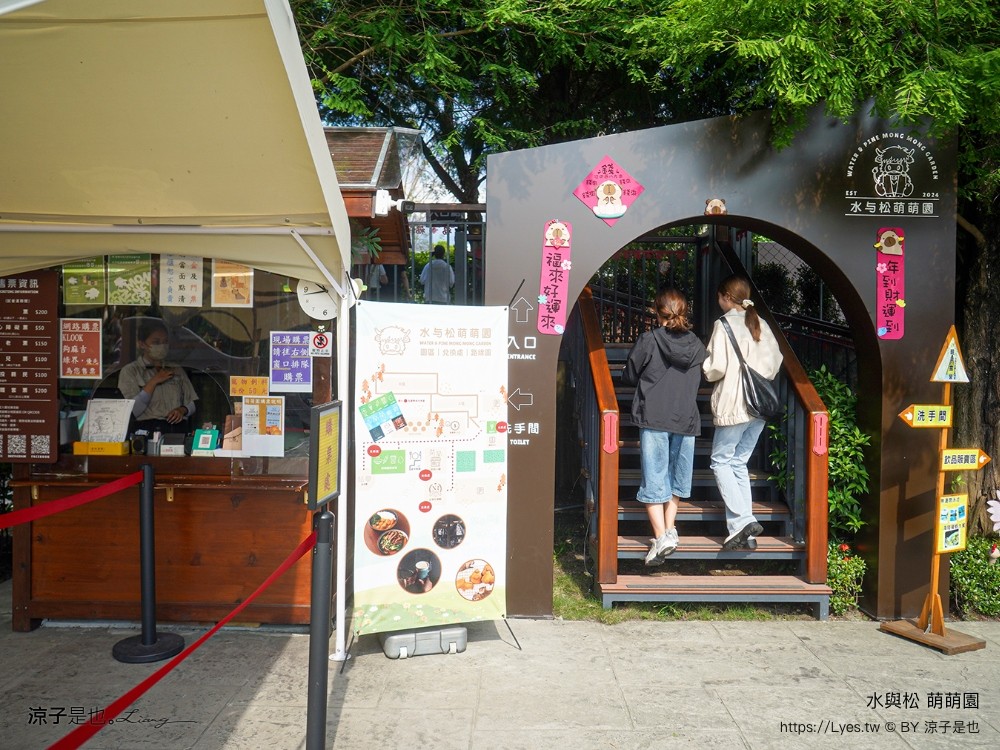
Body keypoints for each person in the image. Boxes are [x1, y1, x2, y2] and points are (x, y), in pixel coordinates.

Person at [621, 287, 707, 566]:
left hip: (654, 416)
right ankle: (669, 530)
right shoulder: (696, 344)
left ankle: (661, 537)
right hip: (686, 418)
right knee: (677, 476)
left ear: (657, 313)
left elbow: (631, 374)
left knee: (654, 475)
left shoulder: (649, 340)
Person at [703, 275, 783, 550]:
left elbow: (716, 368)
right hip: (759, 405)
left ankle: (742, 520)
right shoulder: (761, 323)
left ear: (726, 296)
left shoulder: (723, 324)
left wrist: (705, 368)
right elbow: (775, 363)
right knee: (738, 463)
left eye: (719, 296)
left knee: (720, 461)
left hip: (734, 404)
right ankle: (745, 532)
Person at [117, 319, 198, 434]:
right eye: (156, 342)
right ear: (142, 344)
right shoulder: (131, 371)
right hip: (146, 430)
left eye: (165, 342)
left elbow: (192, 402)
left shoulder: (175, 369)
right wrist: (153, 382)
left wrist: (182, 410)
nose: (162, 346)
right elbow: (132, 411)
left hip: (176, 430)